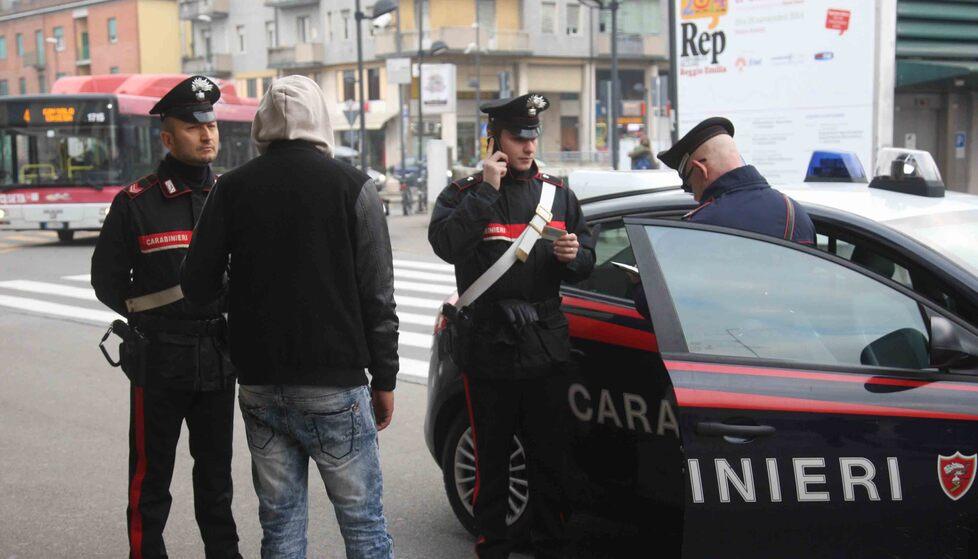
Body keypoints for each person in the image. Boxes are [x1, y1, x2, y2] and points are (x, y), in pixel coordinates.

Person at [180, 75, 398, 559]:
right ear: (320, 119)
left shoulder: (231, 188)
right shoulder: (354, 187)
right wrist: (385, 378)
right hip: (335, 382)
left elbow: (196, 286)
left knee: (280, 527)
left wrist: (248, 291)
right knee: (363, 525)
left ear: (262, 123)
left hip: (260, 383)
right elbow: (377, 295)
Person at [428, 93, 596, 559]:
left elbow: (586, 256)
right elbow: (445, 244)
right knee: (493, 458)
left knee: (550, 455)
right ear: (495, 140)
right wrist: (486, 190)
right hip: (489, 347)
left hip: (544, 346)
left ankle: (549, 542)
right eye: (518, 136)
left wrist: (575, 257)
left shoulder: (557, 193)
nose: (527, 145)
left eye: (532, 135)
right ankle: (493, 544)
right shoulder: (463, 195)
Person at [90, 75, 240, 559]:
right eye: (194, 127)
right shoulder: (137, 202)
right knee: (151, 477)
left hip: (219, 360)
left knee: (216, 479)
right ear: (168, 137)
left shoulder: (231, 195)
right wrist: (155, 322)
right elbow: (107, 281)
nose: (208, 135)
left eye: (211, 125)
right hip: (159, 362)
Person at [657, 116, 815, 243]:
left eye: (691, 186)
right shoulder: (795, 214)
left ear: (701, 170)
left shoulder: (696, 229)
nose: (696, 197)